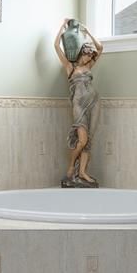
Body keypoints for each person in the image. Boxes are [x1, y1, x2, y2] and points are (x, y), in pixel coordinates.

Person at [54, 18, 103, 187]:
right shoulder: (70, 67)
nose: (89, 56)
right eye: (87, 53)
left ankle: (82, 173)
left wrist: (87, 31)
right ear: (81, 52)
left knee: (89, 139)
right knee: (81, 140)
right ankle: (70, 169)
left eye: (91, 54)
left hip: (94, 102)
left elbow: (101, 47)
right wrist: (62, 27)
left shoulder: (89, 67)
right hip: (78, 105)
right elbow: (56, 47)